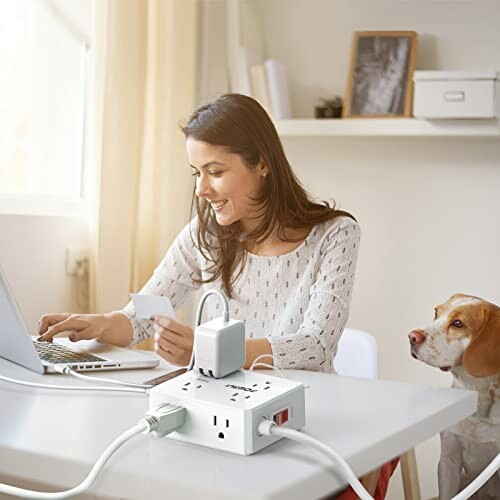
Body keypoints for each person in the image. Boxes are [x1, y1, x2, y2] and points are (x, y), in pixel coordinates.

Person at [37, 93, 360, 372]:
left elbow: (314, 346)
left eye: (215, 172)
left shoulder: (334, 235)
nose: (201, 190)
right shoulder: (204, 235)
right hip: (219, 403)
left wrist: (212, 350)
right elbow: (141, 319)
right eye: (196, 173)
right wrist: (98, 324)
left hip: (304, 408)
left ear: (261, 164)